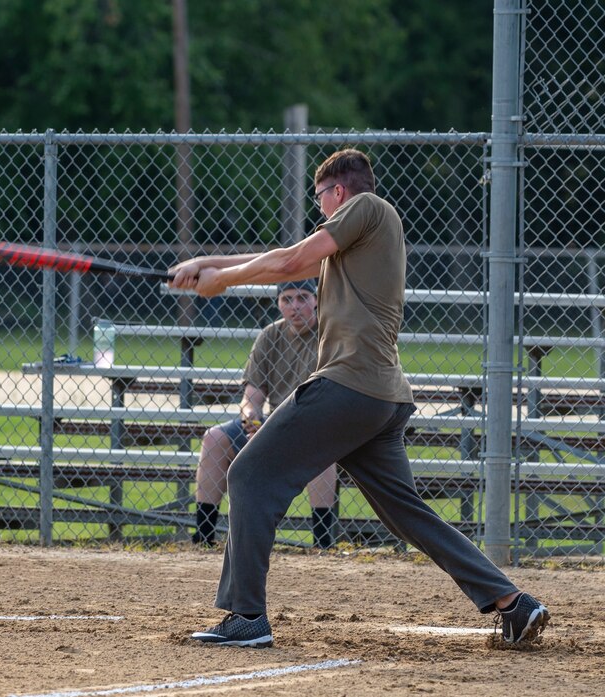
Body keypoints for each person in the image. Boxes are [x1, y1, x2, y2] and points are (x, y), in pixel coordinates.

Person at [170, 148, 550, 648]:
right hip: (378, 397)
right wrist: (206, 265)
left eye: (321, 198)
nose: (320, 208)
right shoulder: (352, 245)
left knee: (248, 474)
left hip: (350, 386)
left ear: (340, 192)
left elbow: (291, 261)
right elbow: (287, 257)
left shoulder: (368, 208)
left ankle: (246, 617)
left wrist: (225, 279)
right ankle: (513, 604)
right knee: (407, 512)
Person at [192, 279, 338, 550]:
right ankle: (203, 537)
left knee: (324, 454)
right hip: (274, 424)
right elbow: (252, 396)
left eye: (303, 298)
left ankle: (323, 544)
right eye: (287, 299)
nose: (295, 306)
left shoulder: (330, 335)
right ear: (279, 304)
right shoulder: (270, 336)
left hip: (316, 425)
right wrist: (252, 419)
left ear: (317, 300)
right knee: (214, 438)